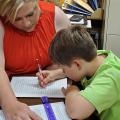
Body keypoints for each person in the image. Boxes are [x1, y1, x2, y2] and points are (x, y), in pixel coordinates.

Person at [0, 0, 70, 119]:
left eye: (30, 14)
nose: (26, 23)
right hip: (8, 91)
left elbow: (75, 60)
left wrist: (58, 72)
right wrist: (9, 105)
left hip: (48, 90)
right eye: (17, 19)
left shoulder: (56, 16)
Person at [46, 25, 120, 120]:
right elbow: (78, 68)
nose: (63, 71)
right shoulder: (94, 57)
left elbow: (76, 111)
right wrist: (56, 74)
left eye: (64, 69)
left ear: (77, 64)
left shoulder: (110, 78)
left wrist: (71, 90)